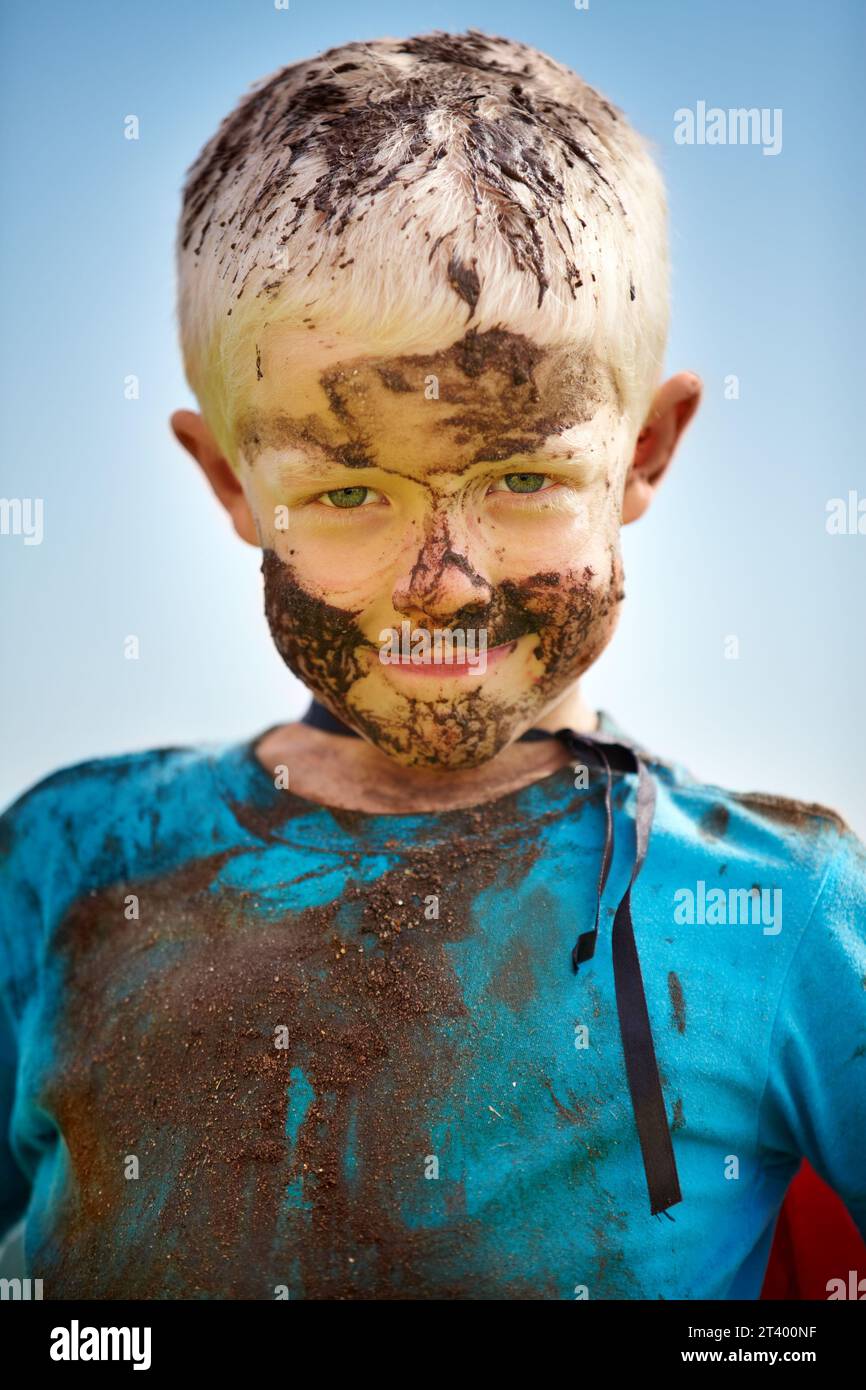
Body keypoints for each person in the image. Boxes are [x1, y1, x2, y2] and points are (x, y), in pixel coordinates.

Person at [1, 30, 864, 1300]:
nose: (443, 582)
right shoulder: (75, 864)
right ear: (232, 481)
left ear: (641, 457)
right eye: (349, 490)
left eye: (521, 477)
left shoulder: (784, 912)